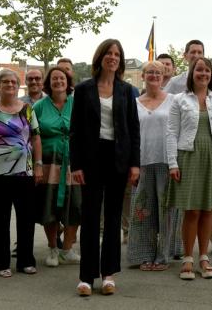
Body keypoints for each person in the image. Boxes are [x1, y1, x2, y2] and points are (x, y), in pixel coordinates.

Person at [70, 39, 140, 296]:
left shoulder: (126, 90)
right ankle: (86, 277)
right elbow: (75, 131)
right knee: (90, 217)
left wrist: (135, 163)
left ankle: (108, 274)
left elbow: (134, 129)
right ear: (100, 57)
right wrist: (75, 164)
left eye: (117, 54)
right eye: (109, 53)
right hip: (91, 158)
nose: (113, 58)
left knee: (112, 217)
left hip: (118, 158)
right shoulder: (84, 89)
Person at [166, 57, 212, 280]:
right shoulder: (179, 99)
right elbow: (171, 133)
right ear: (191, 73)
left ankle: (204, 256)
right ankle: (187, 257)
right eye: (199, 70)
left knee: (208, 209)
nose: (203, 74)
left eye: (207, 70)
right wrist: (172, 162)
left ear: (211, 74)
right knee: (191, 210)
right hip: (188, 156)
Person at [0, 69, 43, 278]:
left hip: (25, 173)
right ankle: (1, 262)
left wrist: (39, 165)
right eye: (5, 82)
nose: (10, 85)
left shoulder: (27, 109)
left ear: (18, 85)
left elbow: (36, 138)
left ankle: (25, 261)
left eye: (14, 82)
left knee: (26, 218)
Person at [127, 61, 182, 271]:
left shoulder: (174, 100)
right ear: (143, 76)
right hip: (142, 163)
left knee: (167, 211)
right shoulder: (134, 103)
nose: (154, 76)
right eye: (150, 72)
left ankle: (164, 254)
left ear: (164, 76)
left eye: (158, 72)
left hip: (168, 162)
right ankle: (142, 254)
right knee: (142, 210)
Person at [33, 66, 81, 267]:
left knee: (76, 205)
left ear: (68, 82)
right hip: (48, 162)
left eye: (62, 78)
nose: (58, 81)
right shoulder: (39, 106)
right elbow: (32, 135)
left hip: (74, 161)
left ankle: (68, 249)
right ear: (48, 83)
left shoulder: (77, 103)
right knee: (49, 205)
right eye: (54, 78)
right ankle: (53, 248)